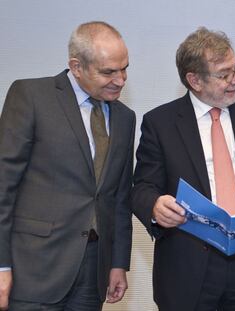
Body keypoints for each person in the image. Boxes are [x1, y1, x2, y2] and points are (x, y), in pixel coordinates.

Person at [131, 27, 235, 311]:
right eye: (224, 74)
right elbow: (143, 187)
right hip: (188, 268)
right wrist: (156, 205)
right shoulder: (160, 123)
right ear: (194, 80)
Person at [0, 21, 135, 310]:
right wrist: (0, 266)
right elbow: (3, 186)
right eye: (108, 72)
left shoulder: (125, 117)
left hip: (92, 271)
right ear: (76, 67)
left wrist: (118, 263)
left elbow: (119, 198)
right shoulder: (32, 96)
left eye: (124, 68)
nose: (121, 79)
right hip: (33, 268)